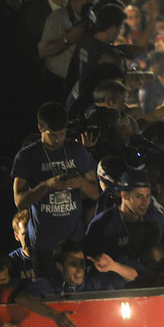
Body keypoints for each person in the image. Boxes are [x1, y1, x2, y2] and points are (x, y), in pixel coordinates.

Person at [12, 102, 99, 277]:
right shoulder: (27, 156)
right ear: (40, 129)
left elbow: (96, 192)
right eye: (52, 135)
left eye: (62, 133)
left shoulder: (76, 150)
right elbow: (19, 201)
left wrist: (81, 183)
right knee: (48, 292)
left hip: (74, 239)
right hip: (43, 243)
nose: (58, 139)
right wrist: (46, 185)